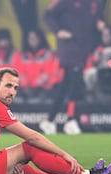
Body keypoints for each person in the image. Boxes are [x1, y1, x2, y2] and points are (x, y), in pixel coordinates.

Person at [41, 0, 106, 135]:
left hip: (84, 48)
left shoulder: (94, 3)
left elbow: (94, 18)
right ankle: (70, 120)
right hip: (70, 47)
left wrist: (99, 22)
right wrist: (58, 31)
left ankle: (49, 120)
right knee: (75, 82)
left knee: (67, 85)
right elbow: (47, 15)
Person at [17, 27, 63, 102]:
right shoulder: (22, 55)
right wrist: (26, 84)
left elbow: (49, 72)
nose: (33, 40)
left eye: (35, 37)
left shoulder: (48, 54)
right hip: (26, 89)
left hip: (43, 89)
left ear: (40, 38)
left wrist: (36, 83)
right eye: (30, 38)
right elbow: (19, 71)